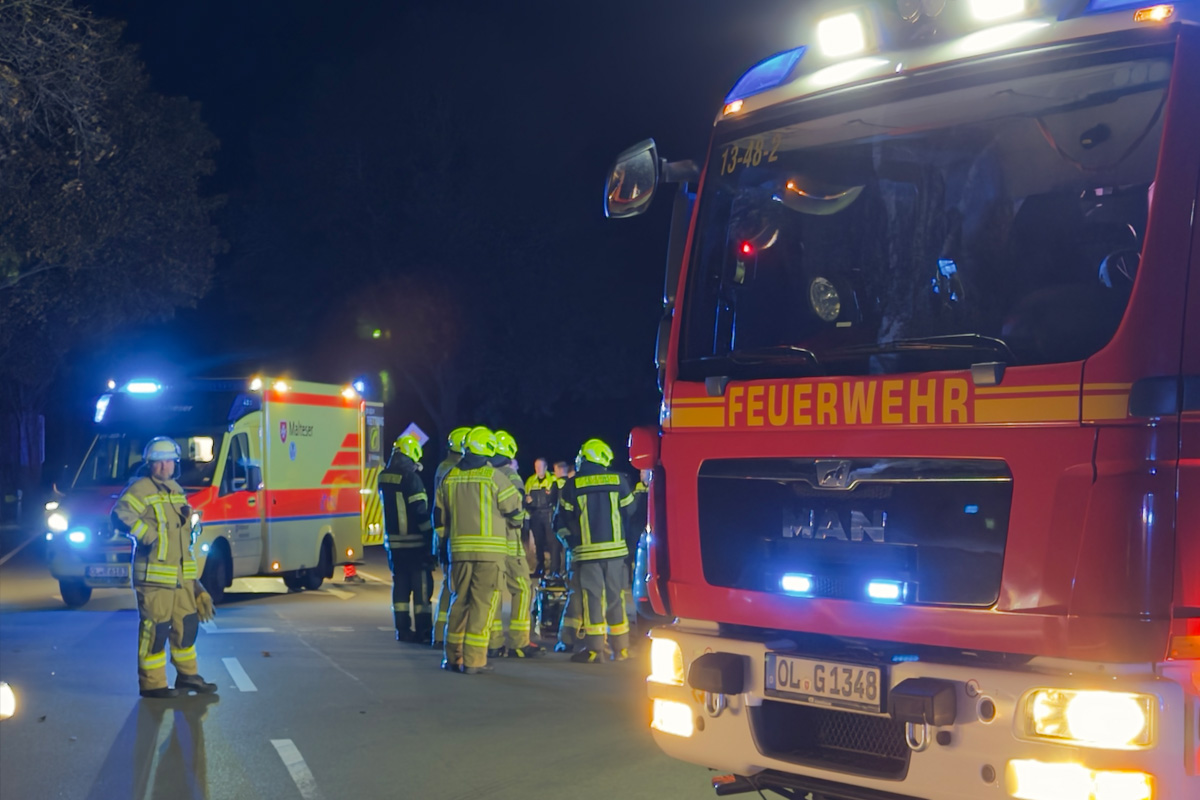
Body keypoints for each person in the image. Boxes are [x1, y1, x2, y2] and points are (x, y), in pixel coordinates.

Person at [112, 437, 218, 699]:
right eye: (158, 463)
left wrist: (196, 585)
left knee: (187, 626)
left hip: (180, 579)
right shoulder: (141, 489)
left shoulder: (175, 491)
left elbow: (183, 543)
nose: (164, 467)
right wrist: (147, 535)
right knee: (156, 630)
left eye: (169, 461)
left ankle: (187, 675)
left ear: (175, 464)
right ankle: (153, 684)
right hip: (154, 578)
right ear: (150, 465)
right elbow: (120, 515)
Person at [435, 426, 522, 674]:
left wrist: (444, 546)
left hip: (458, 553)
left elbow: (439, 518)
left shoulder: (449, 477)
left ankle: (452, 657)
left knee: (458, 602)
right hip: (489, 556)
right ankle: (474, 661)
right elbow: (515, 512)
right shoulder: (494, 477)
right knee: (483, 605)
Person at [553, 438, 635, 664]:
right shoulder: (619, 480)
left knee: (592, 600)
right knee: (616, 598)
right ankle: (621, 650)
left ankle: (594, 650)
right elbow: (630, 510)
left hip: (587, 553)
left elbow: (561, 521)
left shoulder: (573, 484)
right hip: (615, 552)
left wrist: (572, 542)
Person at [487, 431, 543, 658]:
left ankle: (493, 641)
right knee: (522, 588)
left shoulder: (483, 472)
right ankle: (519, 641)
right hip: (509, 542)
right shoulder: (510, 474)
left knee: (493, 592)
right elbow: (518, 508)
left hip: (488, 542)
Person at [380, 434, 435, 642]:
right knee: (421, 589)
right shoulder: (411, 478)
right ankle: (423, 630)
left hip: (393, 543)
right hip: (414, 542)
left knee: (400, 587)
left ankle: (402, 629)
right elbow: (419, 511)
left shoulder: (384, 476)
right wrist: (430, 537)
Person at [431, 426, 471, 647]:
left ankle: (439, 632)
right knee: (453, 586)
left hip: (444, 533)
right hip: (452, 533)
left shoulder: (443, 466)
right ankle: (446, 635)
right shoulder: (454, 469)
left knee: (449, 584)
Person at [524, 457, 558, 576]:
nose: (538, 469)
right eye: (536, 466)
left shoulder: (552, 479)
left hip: (548, 514)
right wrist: (527, 501)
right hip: (535, 515)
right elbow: (525, 496)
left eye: (540, 466)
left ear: (546, 467)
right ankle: (540, 568)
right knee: (538, 543)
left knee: (551, 542)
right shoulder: (530, 481)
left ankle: (554, 570)